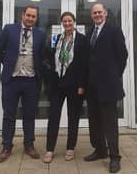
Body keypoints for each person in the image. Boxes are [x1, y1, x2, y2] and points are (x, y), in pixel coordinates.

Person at [0, 5, 46, 163]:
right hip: (12, 80)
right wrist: (8, 64)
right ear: (22, 15)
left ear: (36, 18)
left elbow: (42, 55)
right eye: (28, 15)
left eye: (33, 16)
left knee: (29, 114)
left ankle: (29, 145)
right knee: (9, 115)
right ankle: (7, 146)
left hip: (31, 80)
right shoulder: (9, 29)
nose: (30, 18)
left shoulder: (40, 34)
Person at [84, 3, 128, 173]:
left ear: (105, 13)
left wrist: (114, 75)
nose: (97, 15)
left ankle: (115, 157)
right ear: (91, 15)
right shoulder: (90, 32)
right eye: (94, 13)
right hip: (92, 86)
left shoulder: (114, 30)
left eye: (99, 12)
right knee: (94, 121)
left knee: (110, 124)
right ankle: (100, 150)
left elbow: (122, 55)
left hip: (108, 86)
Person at [42, 12, 87, 163]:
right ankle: (49, 149)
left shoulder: (82, 40)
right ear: (62, 23)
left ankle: (70, 148)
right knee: (53, 117)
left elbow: (84, 65)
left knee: (73, 117)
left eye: (69, 21)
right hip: (57, 83)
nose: (67, 23)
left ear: (74, 22)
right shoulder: (58, 38)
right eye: (64, 21)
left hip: (74, 85)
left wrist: (82, 85)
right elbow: (52, 58)